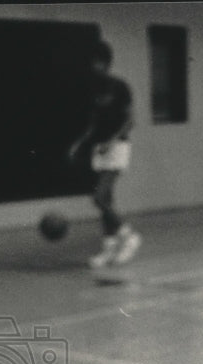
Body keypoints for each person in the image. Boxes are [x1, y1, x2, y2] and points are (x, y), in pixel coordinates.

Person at [68, 39, 141, 268]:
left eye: (96, 62)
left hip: (118, 146)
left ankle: (128, 236)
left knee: (98, 197)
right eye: (91, 62)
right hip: (99, 148)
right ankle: (109, 250)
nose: (93, 66)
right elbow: (93, 123)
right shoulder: (93, 89)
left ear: (105, 62)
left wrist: (111, 141)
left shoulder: (120, 86)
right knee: (106, 200)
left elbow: (131, 120)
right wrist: (78, 143)